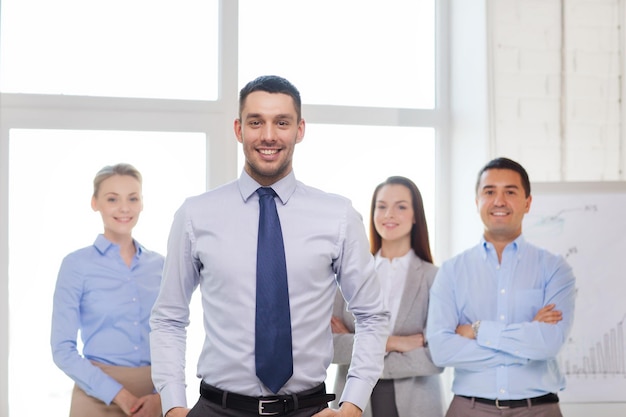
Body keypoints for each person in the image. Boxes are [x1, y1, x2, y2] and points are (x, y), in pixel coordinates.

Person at [149, 75, 390, 417]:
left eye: (282, 122)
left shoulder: (337, 216)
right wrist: (173, 406)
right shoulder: (195, 215)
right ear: (238, 129)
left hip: (309, 409)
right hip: (218, 409)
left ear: (300, 129)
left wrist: (351, 406)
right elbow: (169, 317)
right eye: (256, 122)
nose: (268, 135)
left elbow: (372, 315)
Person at [426, 157, 576, 417]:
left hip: (538, 409)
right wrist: (526, 346)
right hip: (468, 408)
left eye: (510, 191)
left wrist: (478, 330)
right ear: (477, 202)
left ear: (527, 203)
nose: (499, 201)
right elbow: (441, 350)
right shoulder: (451, 271)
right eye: (489, 191)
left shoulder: (555, 269)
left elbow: (549, 344)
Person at [51, 163, 164, 417]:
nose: (124, 208)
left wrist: (162, 396)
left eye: (132, 198)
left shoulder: (161, 265)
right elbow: (62, 349)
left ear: (142, 203)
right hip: (95, 394)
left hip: (153, 396)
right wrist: (120, 396)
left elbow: (172, 334)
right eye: (112, 199)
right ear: (95, 203)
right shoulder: (76, 265)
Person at [331, 176, 444, 417]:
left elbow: (435, 356)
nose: (389, 214)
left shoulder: (434, 278)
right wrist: (395, 343)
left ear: (416, 216)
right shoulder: (348, 272)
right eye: (381, 206)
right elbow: (327, 346)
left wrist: (359, 344)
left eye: (401, 206)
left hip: (417, 402)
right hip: (352, 402)